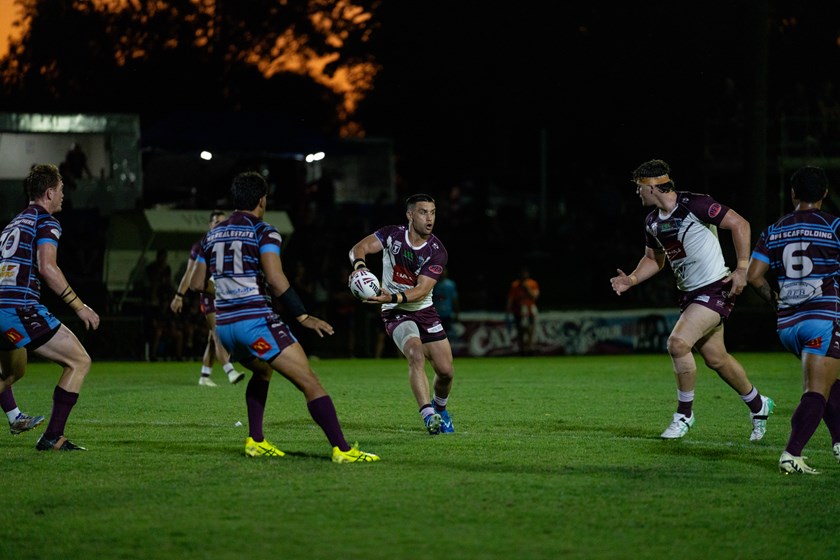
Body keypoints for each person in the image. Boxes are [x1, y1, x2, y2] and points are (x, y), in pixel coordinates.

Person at [189, 171, 378, 463]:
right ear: (262, 200)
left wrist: (230, 287)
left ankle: (256, 440)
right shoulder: (265, 231)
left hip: (226, 329)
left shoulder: (211, 235)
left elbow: (197, 284)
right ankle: (342, 449)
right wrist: (302, 316)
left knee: (263, 371)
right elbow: (276, 280)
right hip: (255, 325)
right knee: (310, 382)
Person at [609, 158, 774, 441]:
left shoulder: (694, 204)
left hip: (714, 288)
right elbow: (653, 260)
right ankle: (759, 405)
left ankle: (684, 415)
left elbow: (740, 224)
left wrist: (742, 268)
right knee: (717, 359)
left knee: (677, 343)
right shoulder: (652, 222)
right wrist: (632, 279)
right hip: (689, 294)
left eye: (639, 187)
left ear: (652, 186)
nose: (637, 193)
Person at [0, 163, 100, 451]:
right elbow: (47, 267)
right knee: (79, 361)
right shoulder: (46, 221)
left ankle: (34, 427)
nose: (63, 196)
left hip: (3, 306)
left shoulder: (13, 223)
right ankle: (53, 436)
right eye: (61, 190)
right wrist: (80, 307)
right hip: (19, 308)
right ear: (48, 193)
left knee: (12, 373)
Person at [747, 165, 840, 474]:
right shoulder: (834, 226)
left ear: (792, 194)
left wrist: (778, 302)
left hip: (787, 325)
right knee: (816, 390)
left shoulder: (774, 230)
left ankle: (839, 442)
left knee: (832, 381)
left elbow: (754, 277)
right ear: (825, 193)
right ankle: (792, 453)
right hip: (822, 318)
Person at [348, 193, 456, 435]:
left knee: (446, 372)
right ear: (410, 215)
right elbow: (359, 248)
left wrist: (391, 296)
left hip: (423, 310)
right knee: (415, 354)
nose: (430, 218)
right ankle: (429, 417)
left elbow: (421, 290)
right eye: (423, 212)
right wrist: (361, 268)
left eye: (433, 212)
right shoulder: (391, 235)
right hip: (395, 312)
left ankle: (441, 409)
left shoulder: (437, 251)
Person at [170, 210, 245, 386]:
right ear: (210, 225)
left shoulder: (229, 243)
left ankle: (204, 376)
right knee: (218, 333)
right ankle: (230, 371)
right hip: (209, 293)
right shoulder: (201, 245)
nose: (219, 225)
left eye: (222, 221)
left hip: (226, 294)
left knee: (213, 338)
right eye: (216, 222)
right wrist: (179, 295)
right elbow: (190, 273)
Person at [506, 266, 540, 355]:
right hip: (518, 310)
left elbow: (535, 296)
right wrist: (508, 310)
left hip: (530, 310)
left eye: (525, 273)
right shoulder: (515, 284)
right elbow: (511, 298)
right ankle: (522, 349)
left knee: (530, 329)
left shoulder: (532, 283)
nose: (523, 275)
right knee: (520, 330)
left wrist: (526, 287)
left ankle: (529, 348)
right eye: (522, 273)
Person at [433, 266, 460, 341]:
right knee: (436, 335)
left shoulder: (450, 285)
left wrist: (457, 313)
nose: (442, 273)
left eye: (444, 271)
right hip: (436, 315)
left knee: (448, 335)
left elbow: (455, 300)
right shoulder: (433, 284)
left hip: (447, 314)